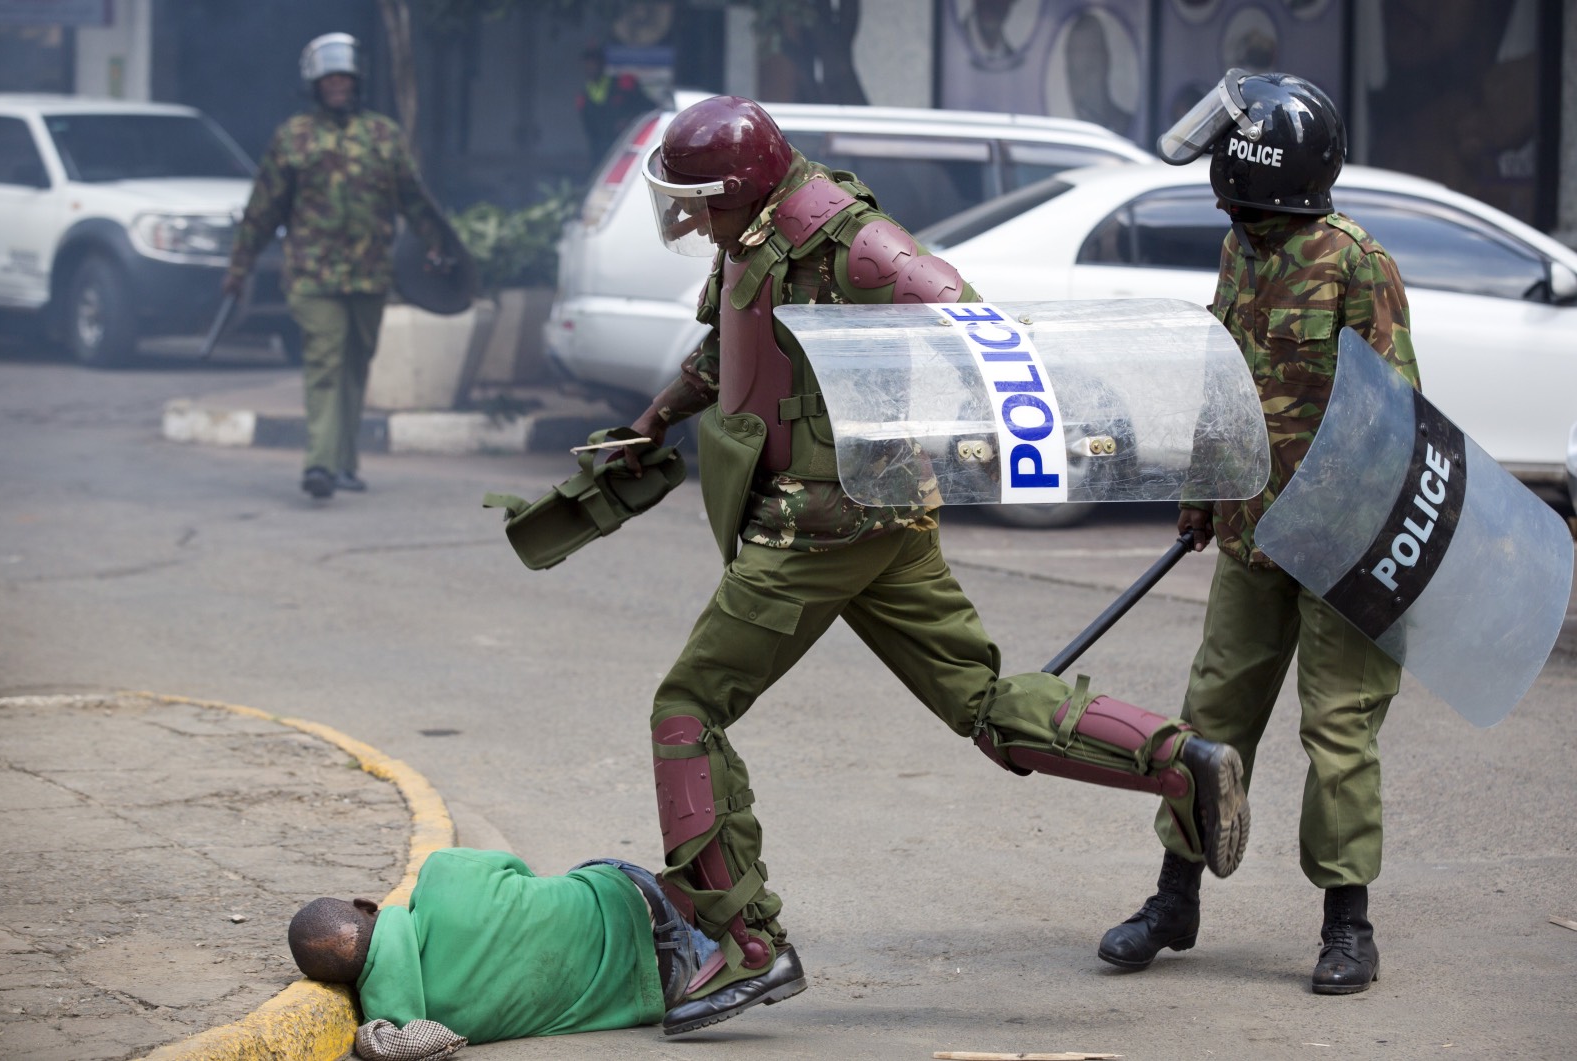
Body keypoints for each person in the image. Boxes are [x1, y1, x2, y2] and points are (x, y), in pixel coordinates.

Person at [623, 95, 1255, 1036]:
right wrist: (657, 414)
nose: (688, 219)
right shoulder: (753, 229)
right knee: (982, 699)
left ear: (745, 186)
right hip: (876, 520)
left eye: (698, 200)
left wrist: (976, 435)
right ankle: (1182, 760)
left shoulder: (854, 240)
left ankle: (745, 947)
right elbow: (730, 347)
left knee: (687, 711)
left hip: (818, 528)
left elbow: (967, 321)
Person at [1098, 71, 1419, 995]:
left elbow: (1396, 413)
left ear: (1258, 171)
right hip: (1250, 536)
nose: (1229, 204)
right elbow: (1223, 379)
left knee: (1339, 732)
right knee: (1211, 720)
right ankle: (1175, 897)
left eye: (1234, 181)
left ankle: (1347, 925)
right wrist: (1203, 492)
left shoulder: (1357, 262)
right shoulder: (1242, 252)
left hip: (1343, 547)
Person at [223, 32, 447, 500]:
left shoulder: (383, 135)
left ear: (357, 81)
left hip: (369, 274)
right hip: (313, 276)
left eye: (345, 78)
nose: (338, 86)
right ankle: (320, 465)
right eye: (330, 80)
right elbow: (262, 209)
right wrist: (239, 266)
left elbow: (414, 199)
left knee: (354, 365)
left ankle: (345, 463)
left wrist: (439, 246)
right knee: (325, 362)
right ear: (315, 84)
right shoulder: (294, 138)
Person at [287, 848, 720, 1054]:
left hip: (664, 989)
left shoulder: (417, 1020)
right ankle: (716, 909)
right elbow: (521, 872)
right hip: (634, 901)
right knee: (582, 872)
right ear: (367, 905)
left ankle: (718, 950)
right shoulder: (444, 872)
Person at [575, 44, 653, 169]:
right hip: (599, 150)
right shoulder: (584, 96)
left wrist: (629, 121)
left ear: (602, 64)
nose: (590, 67)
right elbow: (589, 127)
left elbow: (648, 107)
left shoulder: (623, 85)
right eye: (586, 64)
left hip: (627, 145)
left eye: (593, 63)